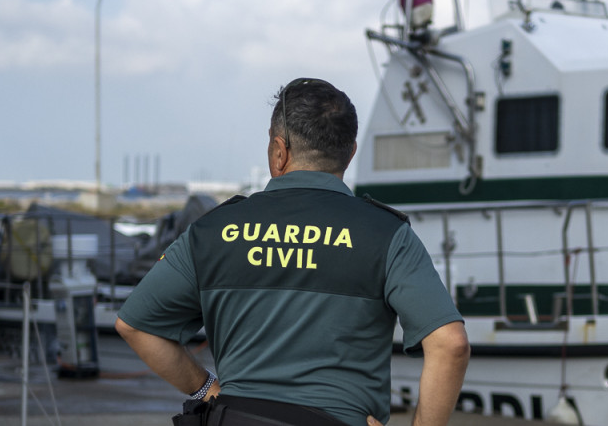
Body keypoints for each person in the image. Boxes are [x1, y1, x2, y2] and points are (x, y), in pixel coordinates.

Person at [115, 78, 469, 426]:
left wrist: (207, 388)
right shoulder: (387, 234)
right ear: (350, 153)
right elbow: (450, 345)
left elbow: (134, 325)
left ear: (279, 151)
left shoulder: (212, 231)